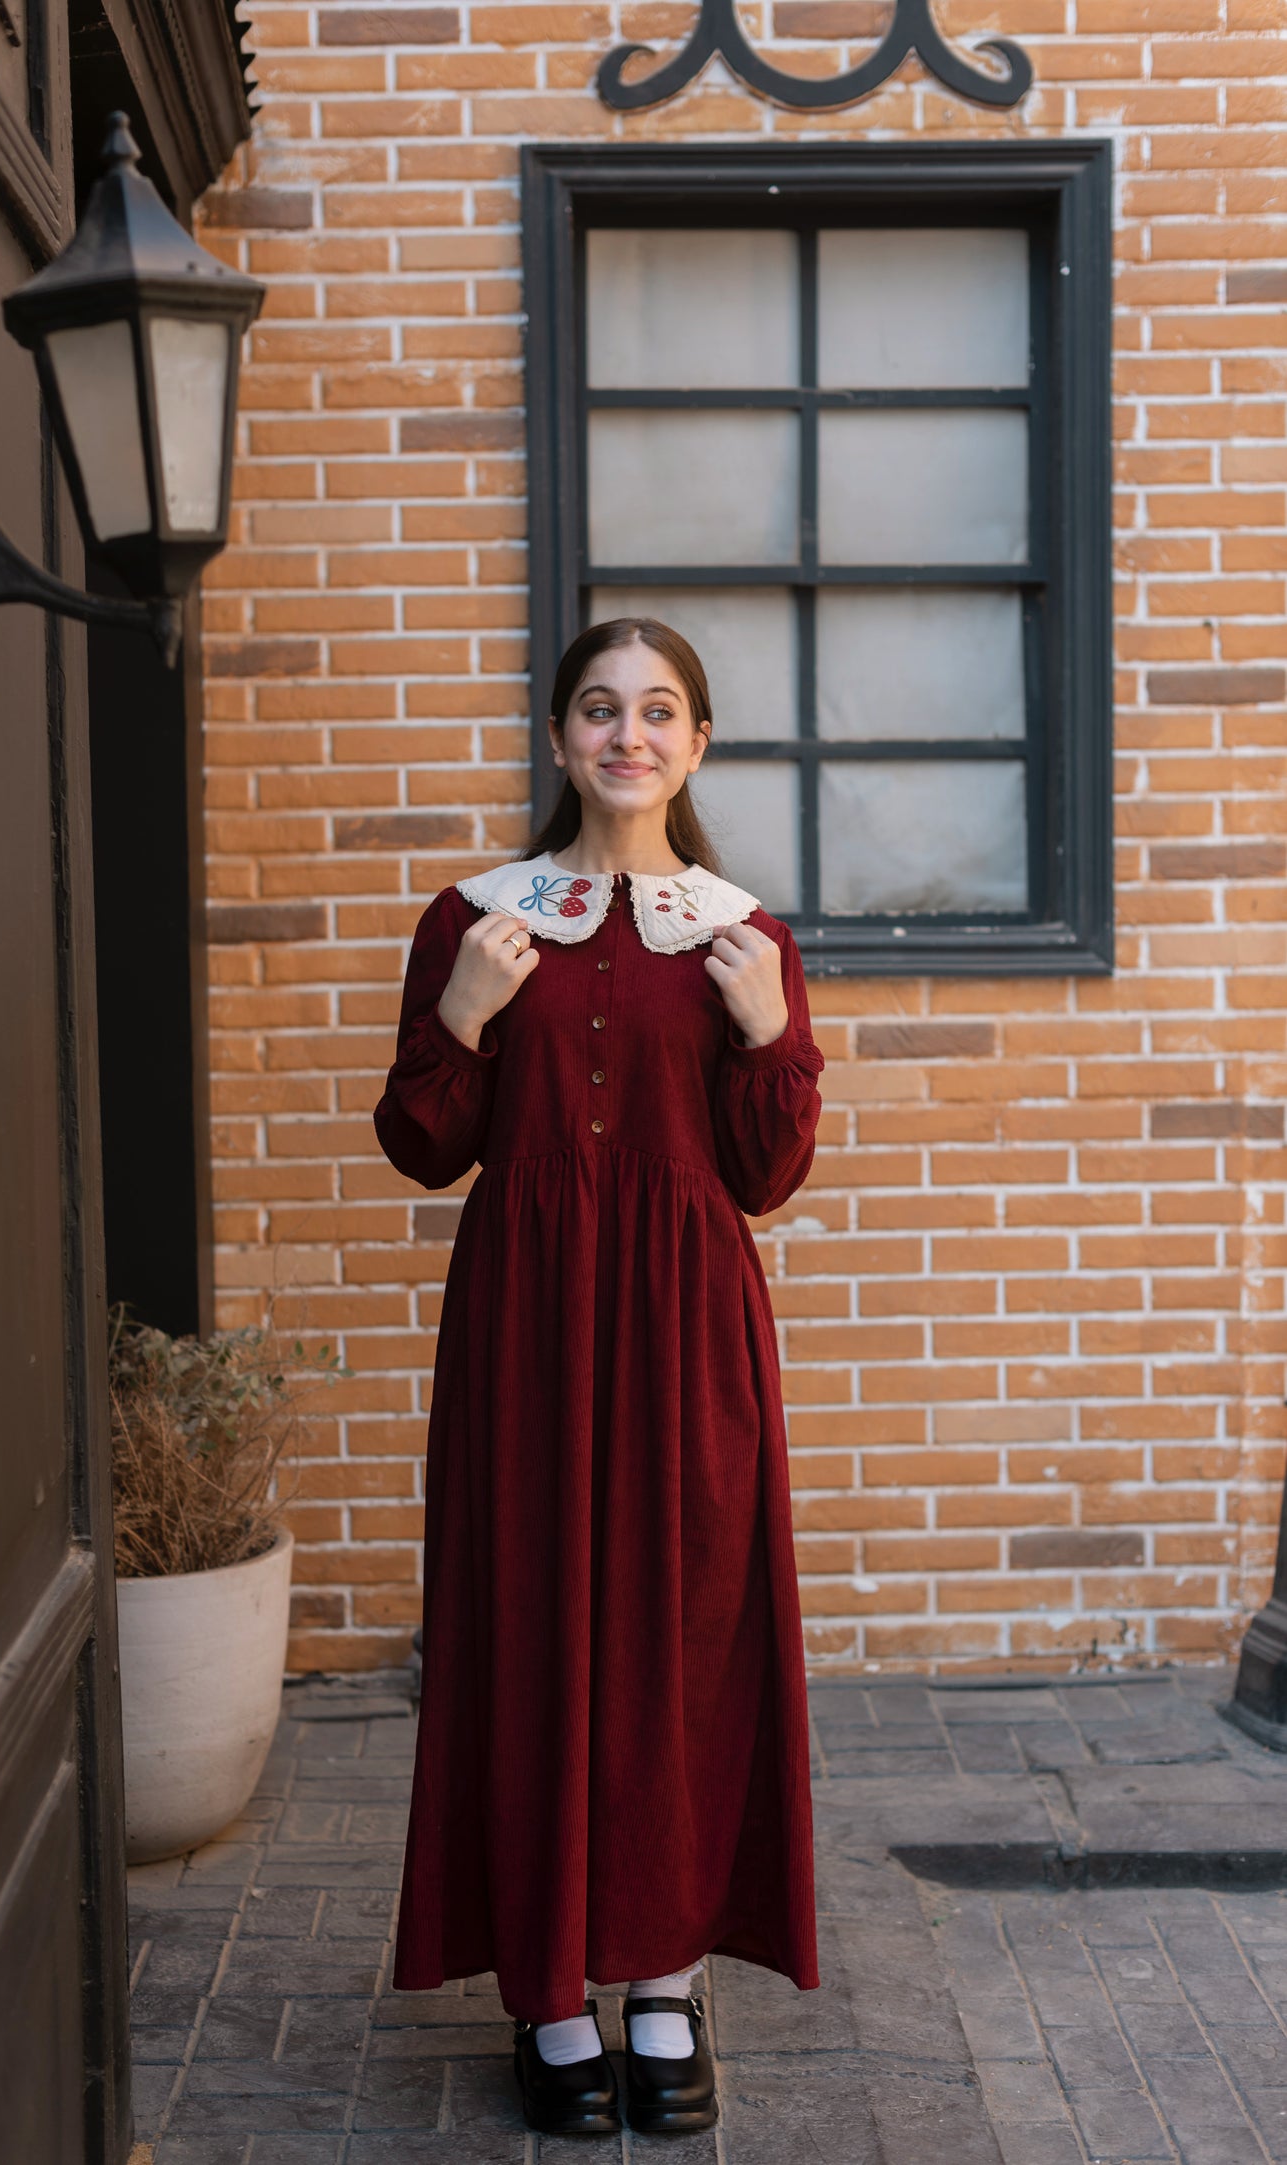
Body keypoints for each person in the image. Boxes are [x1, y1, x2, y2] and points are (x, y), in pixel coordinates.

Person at [371, 617, 826, 2138]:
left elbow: (767, 1172)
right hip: (525, 1318)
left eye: (658, 710)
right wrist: (460, 1019)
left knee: (681, 1635)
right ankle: (551, 1993)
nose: (627, 734)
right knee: (530, 1621)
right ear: (560, 737)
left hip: (688, 1326)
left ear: (696, 743)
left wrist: (768, 1040)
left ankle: (660, 1978)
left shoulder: (744, 937)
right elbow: (425, 1145)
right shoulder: (476, 919)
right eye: (596, 708)